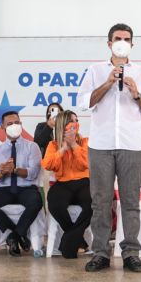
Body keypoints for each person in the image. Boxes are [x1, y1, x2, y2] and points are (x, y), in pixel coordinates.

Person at [78, 23, 141, 273]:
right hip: (101, 145)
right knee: (101, 201)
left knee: (131, 201)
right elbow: (84, 103)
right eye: (117, 38)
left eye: (126, 38)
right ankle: (101, 252)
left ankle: (131, 253)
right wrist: (106, 83)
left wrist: (136, 93)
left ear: (132, 44)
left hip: (133, 145)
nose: (122, 41)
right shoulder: (94, 71)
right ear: (109, 43)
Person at [0, 111, 43, 256]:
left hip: (26, 188)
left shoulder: (32, 146)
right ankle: (17, 233)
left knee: (36, 201)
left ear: (21, 124)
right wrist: (1, 172)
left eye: (17, 123)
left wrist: (14, 170)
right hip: (4, 188)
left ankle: (13, 237)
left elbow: (33, 173)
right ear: (2, 127)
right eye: (9, 124)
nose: (14, 126)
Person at [42, 110, 92, 258]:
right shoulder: (53, 144)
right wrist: (63, 148)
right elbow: (48, 164)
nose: (76, 124)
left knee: (93, 203)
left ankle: (68, 241)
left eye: (77, 121)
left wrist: (74, 146)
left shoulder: (85, 142)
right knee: (55, 204)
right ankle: (78, 240)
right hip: (63, 183)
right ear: (64, 125)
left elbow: (86, 163)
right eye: (73, 121)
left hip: (84, 181)